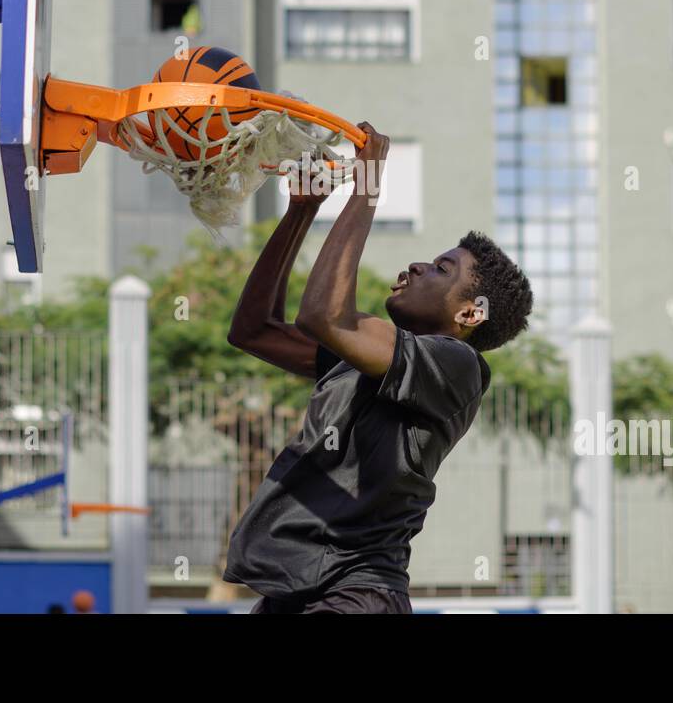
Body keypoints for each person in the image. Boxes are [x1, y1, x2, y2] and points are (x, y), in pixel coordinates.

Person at [222, 123, 534, 613]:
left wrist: (367, 180)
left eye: (441, 268)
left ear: (470, 314)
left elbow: (323, 315)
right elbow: (254, 330)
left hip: (358, 594)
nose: (416, 266)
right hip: (297, 591)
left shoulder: (459, 366)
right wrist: (301, 211)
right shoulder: (364, 361)